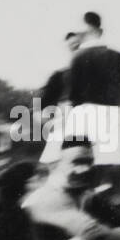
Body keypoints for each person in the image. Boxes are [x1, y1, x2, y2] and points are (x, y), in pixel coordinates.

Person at [57, 12, 120, 176]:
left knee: (87, 170)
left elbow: (73, 100)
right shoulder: (118, 56)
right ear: (101, 31)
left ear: (83, 34)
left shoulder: (76, 58)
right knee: (115, 168)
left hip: (87, 115)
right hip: (114, 116)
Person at [37, 31, 83, 163]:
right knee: (53, 159)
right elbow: (41, 102)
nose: (76, 50)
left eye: (79, 46)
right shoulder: (61, 75)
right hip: (66, 119)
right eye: (73, 47)